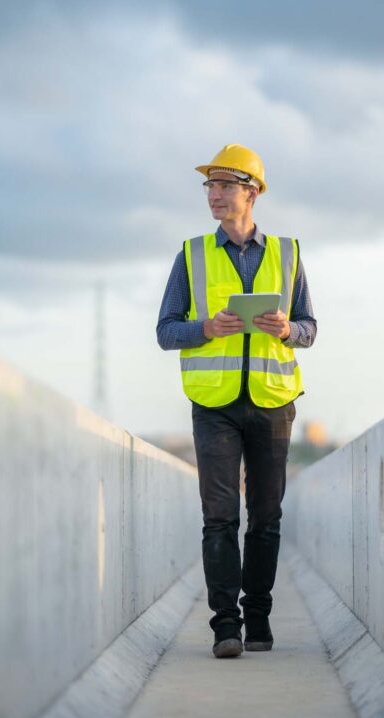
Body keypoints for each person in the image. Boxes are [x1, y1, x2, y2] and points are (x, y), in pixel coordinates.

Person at [156, 144, 317, 658]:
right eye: (210, 186)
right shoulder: (192, 254)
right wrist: (204, 328)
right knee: (219, 515)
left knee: (266, 516)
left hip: (272, 401)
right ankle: (226, 626)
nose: (214, 195)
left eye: (225, 186)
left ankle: (259, 620)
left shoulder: (288, 254)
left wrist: (287, 328)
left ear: (252, 193)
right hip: (215, 403)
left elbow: (310, 328)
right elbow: (165, 331)